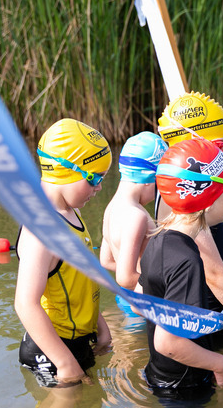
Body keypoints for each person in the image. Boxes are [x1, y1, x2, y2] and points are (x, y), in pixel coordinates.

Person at [140, 137, 223, 407]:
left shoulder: (158, 240)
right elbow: (167, 341)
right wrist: (219, 364)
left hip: (160, 373)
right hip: (184, 382)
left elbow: (142, 301)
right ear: (210, 199)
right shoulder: (187, 260)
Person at [15, 118, 113, 387]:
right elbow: (25, 303)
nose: (99, 187)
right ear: (65, 171)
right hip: (51, 351)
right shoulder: (42, 232)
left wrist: (100, 327)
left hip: (78, 341)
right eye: (94, 178)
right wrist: (65, 363)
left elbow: (79, 282)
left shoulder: (72, 213)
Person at [157, 92, 223, 327]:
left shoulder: (188, 188)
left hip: (221, 309)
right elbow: (214, 273)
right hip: (214, 321)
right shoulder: (186, 201)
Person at [100, 131, 169, 289]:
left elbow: (107, 261)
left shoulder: (112, 207)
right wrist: (166, 287)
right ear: (148, 179)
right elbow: (125, 277)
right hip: (142, 304)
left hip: (127, 299)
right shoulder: (136, 216)